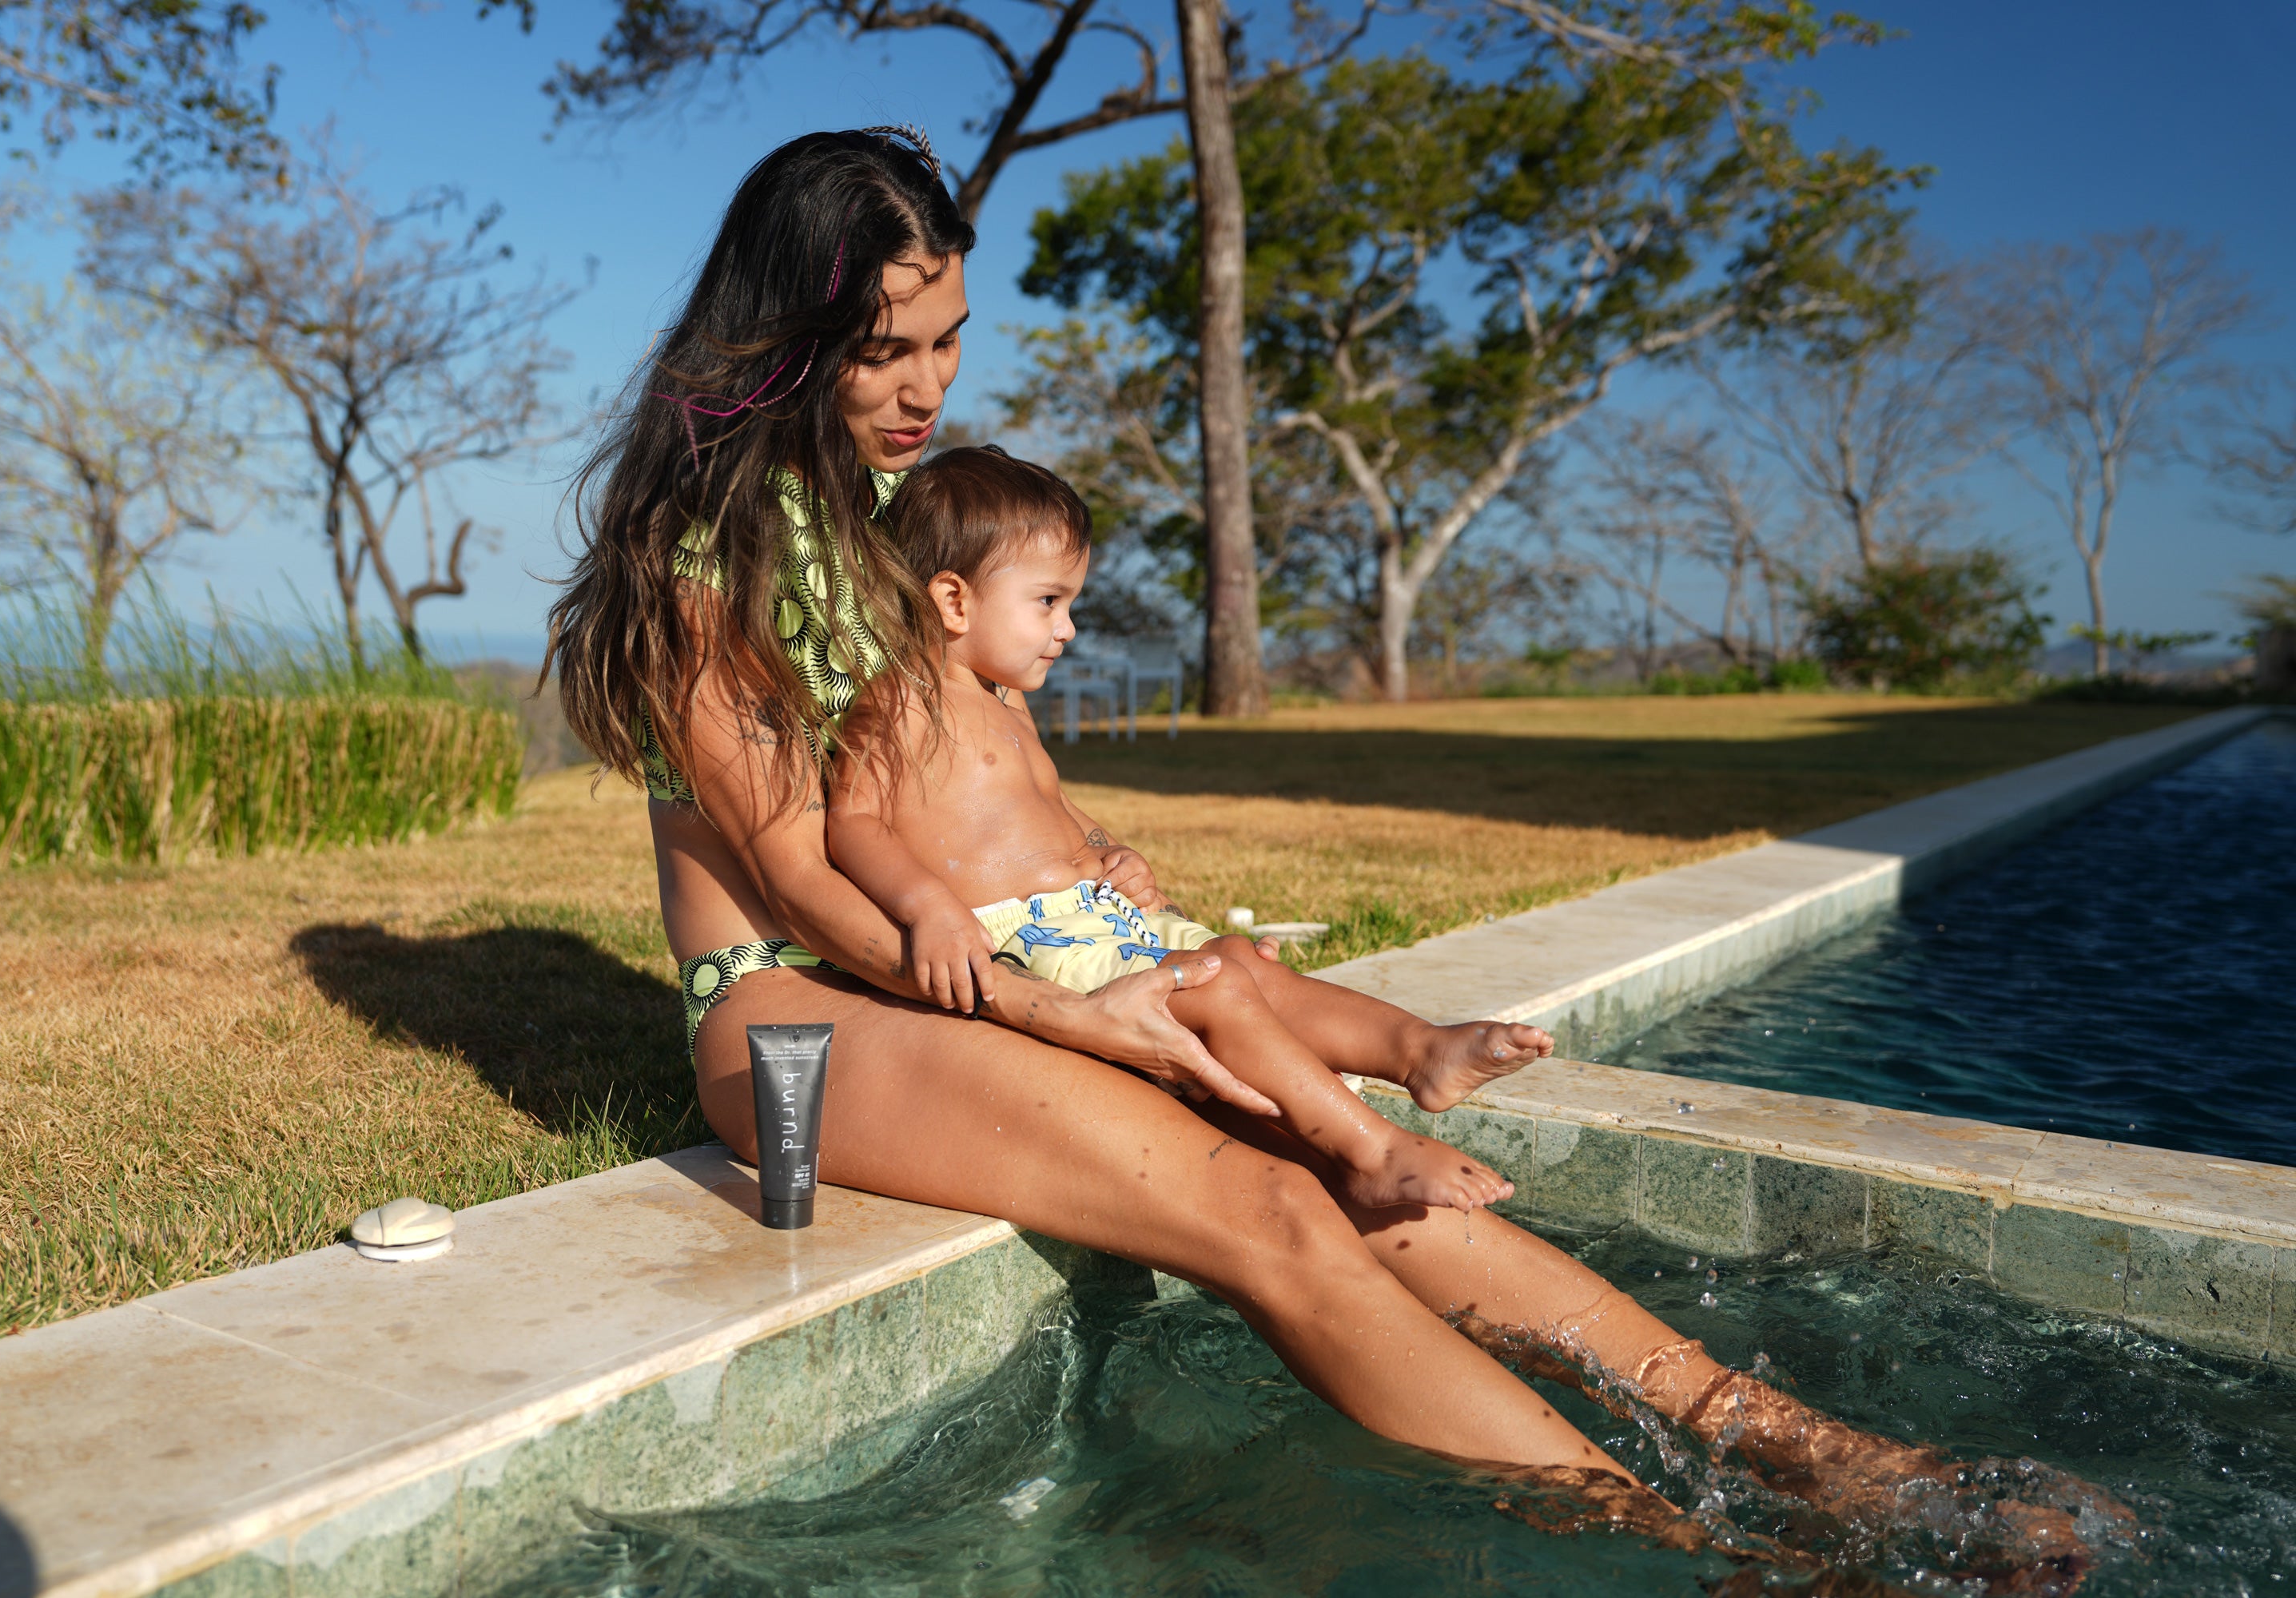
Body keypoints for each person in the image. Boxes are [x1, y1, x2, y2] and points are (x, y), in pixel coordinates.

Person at [543, 125, 2094, 1576]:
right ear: (788, 342)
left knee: (1342, 1146)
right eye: (887, 348)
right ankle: (1724, 1560)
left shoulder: (888, 509)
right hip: (798, 1017)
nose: (929, 380)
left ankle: (1830, 1459)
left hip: (962, 964)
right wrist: (1059, 1007)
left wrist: (1089, 884)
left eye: (947, 335)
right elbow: (811, 872)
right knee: (1272, 1207)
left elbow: (961, 756)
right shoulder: (705, 560)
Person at [823, 443, 1546, 1215]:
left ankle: (1421, 1052)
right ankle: (1371, 1151)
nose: (1067, 628)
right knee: (1222, 989)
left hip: (1093, 919)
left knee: (1236, 961)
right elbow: (855, 824)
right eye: (1048, 602)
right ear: (954, 601)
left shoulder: (1002, 698)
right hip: (1025, 942)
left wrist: (1103, 849)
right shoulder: (899, 703)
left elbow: (1046, 807)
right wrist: (927, 908)